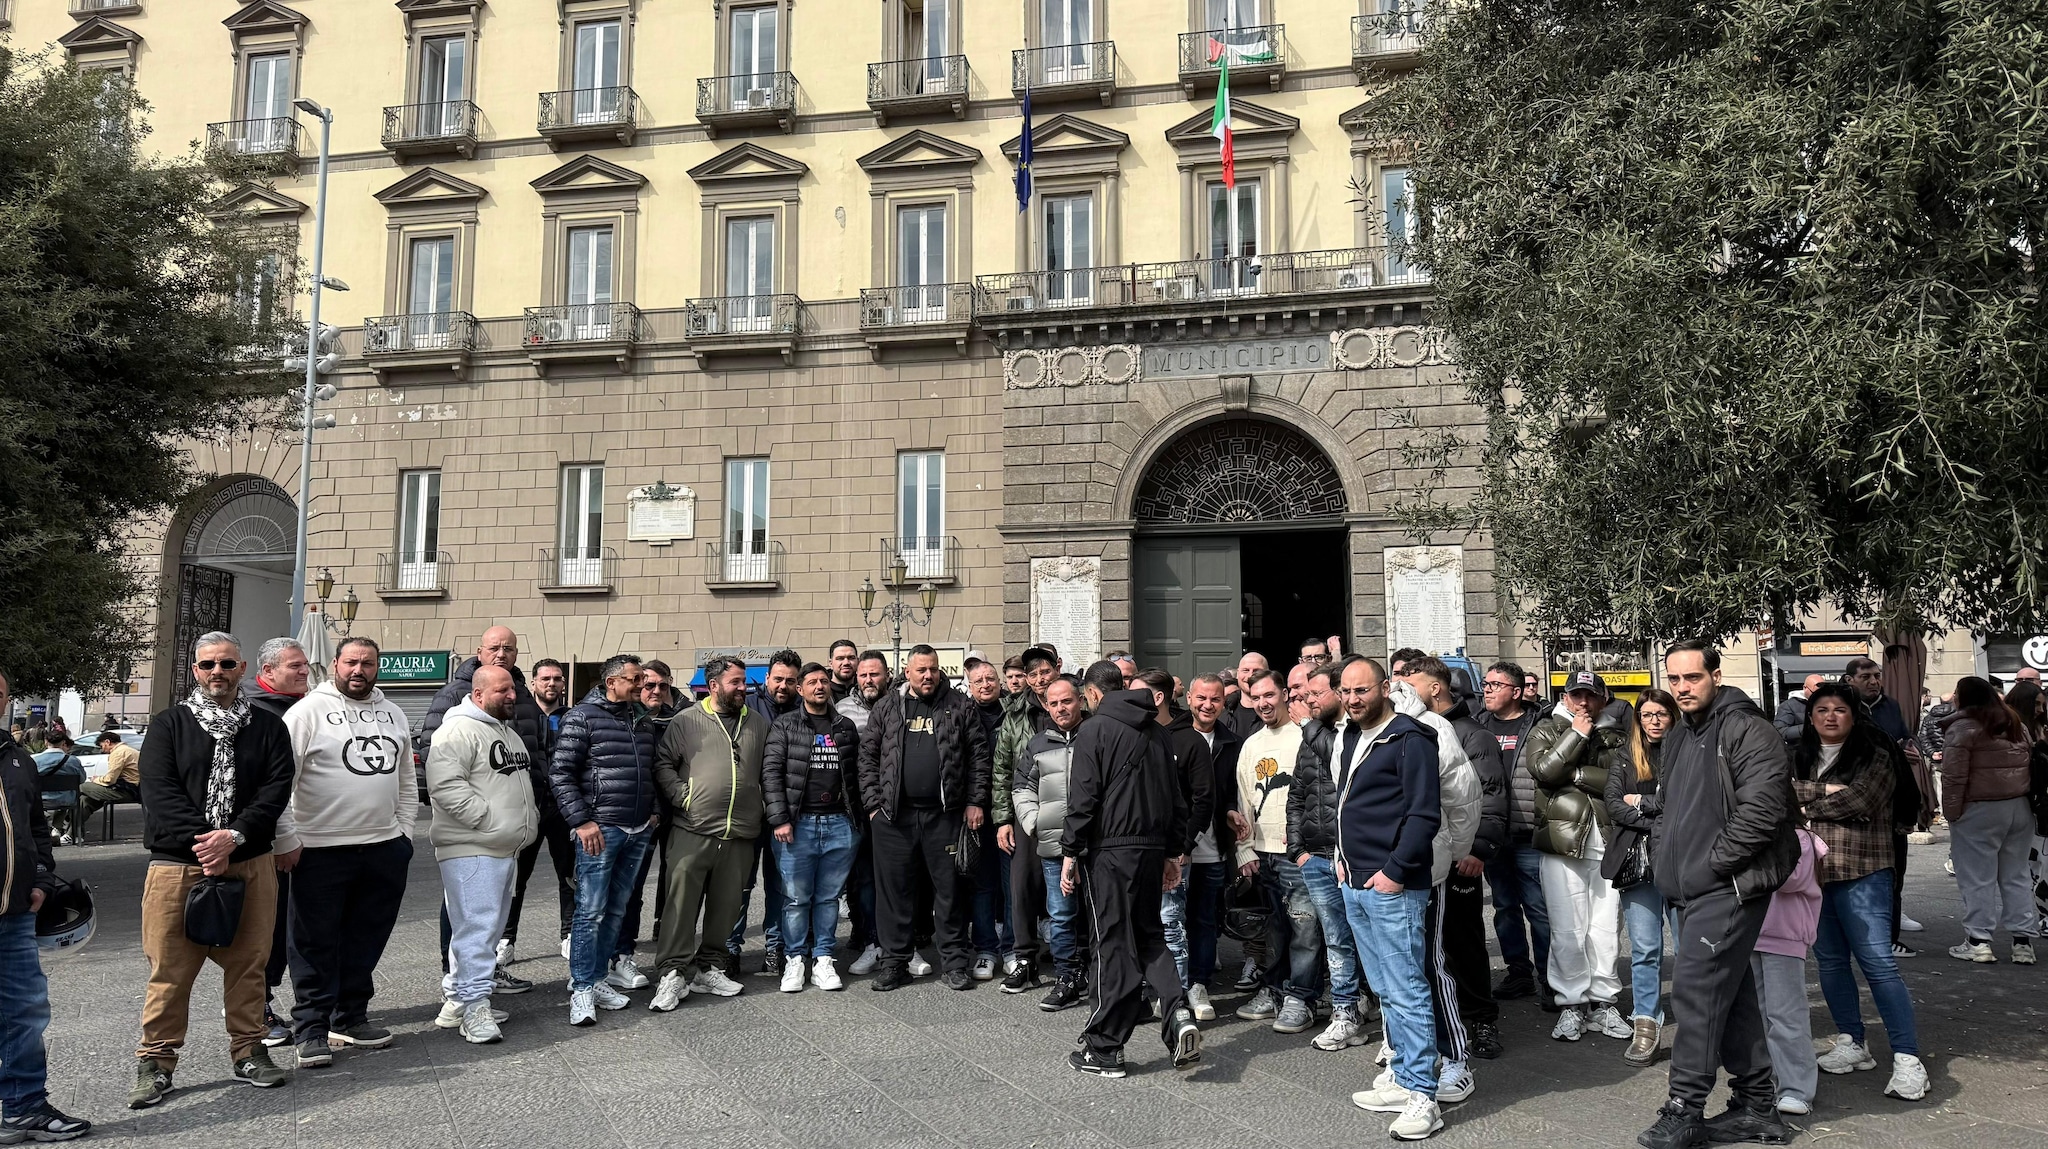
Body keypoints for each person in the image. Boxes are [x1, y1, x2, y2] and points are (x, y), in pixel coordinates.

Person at [1637, 641, 1802, 1149]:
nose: (1683, 688)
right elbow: (1669, 808)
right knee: (1731, 998)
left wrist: (1712, 866)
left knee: (1696, 994)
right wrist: (1669, 860)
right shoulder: (1683, 735)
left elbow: (1763, 810)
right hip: (1692, 890)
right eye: (1675, 679)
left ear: (1715, 674)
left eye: (1693, 677)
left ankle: (1684, 1107)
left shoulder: (1747, 728)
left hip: (1727, 887)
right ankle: (1757, 1106)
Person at [131, 632, 296, 1106]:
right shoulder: (169, 725)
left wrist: (235, 837)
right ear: (195, 671)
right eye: (208, 665)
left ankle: (249, 1051)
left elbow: (275, 789)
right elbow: (159, 793)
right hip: (177, 867)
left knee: (250, 965)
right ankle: (156, 1062)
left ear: (243, 668)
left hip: (250, 863)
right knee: (170, 970)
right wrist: (208, 845)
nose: (217, 672)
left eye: (226, 663)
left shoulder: (267, 728)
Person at [276, 637, 414, 1068]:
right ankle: (312, 1028)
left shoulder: (393, 713)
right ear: (335, 664)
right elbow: (281, 783)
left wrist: (404, 834)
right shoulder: (305, 713)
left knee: (366, 936)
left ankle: (350, 1016)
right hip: (318, 849)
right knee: (313, 941)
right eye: (351, 662)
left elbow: (407, 779)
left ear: (378, 667)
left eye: (368, 663)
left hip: (383, 847)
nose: (359, 670)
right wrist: (287, 839)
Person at [1792, 682, 1926, 1099]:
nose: (1830, 716)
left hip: (1865, 869)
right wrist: (1825, 792)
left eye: (1840, 710)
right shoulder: (1799, 755)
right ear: (1810, 717)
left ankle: (1908, 1057)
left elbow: (1862, 802)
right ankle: (1852, 1040)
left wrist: (1807, 801)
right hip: (1814, 875)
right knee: (1830, 962)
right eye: (1822, 710)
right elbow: (1780, 795)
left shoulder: (1876, 754)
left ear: (1854, 715)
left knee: (1879, 963)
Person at [1330, 657, 1444, 1141]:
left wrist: (1393, 873)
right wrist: (1339, 855)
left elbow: (1424, 816)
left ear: (1384, 688)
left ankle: (1424, 1095)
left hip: (1391, 885)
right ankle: (1400, 1077)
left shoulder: (1411, 738)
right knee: (1384, 989)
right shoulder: (1351, 736)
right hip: (1354, 881)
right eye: (1346, 691)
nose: (1353, 699)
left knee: (1408, 988)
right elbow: (1344, 803)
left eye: (1362, 690)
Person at [1061, 678, 1197, 1078]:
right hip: (1151, 848)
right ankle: (1178, 1011)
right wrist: (1172, 852)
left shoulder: (1094, 729)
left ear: (1093, 694)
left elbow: (1083, 797)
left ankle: (1105, 1048)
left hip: (1110, 851)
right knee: (1151, 937)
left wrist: (1070, 850)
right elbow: (1177, 801)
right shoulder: (1158, 732)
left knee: (1112, 944)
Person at [417, 629, 556, 983]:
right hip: (479, 832)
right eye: (494, 647)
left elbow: (534, 754)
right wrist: (485, 818)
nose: (501, 653)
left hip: (514, 825)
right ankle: (460, 980)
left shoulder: (521, 695)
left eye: (508, 648)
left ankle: (480, 976)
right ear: (479, 652)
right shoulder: (454, 696)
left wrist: (531, 808)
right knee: (467, 913)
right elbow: (440, 762)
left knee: (494, 912)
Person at [855, 644, 992, 991]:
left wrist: (975, 801)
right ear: (907, 669)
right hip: (893, 818)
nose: (928, 675)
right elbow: (867, 757)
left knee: (950, 892)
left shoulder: (959, 705)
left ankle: (955, 963)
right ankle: (894, 963)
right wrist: (874, 806)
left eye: (932, 669)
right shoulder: (888, 706)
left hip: (944, 816)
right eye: (921, 670)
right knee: (894, 893)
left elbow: (978, 756)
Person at [644, 656, 768, 1009]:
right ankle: (672, 973)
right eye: (736, 682)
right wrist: (684, 797)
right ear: (714, 686)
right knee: (680, 906)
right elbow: (663, 763)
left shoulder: (757, 723)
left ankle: (709, 968)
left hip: (741, 832)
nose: (743, 687)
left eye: (744, 681)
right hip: (693, 829)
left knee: (726, 907)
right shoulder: (686, 720)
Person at [0, 671, 93, 1141]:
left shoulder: (18, 759)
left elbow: (36, 828)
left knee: (25, 1012)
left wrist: (39, 877)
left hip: (14, 913)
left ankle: (23, 1108)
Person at [1402, 657, 1508, 1064]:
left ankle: (1481, 1018)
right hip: (1427, 859)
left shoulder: (1472, 735)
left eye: (1412, 685)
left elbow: (1491, 796)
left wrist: (1478, 850)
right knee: (1432, 944)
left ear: (1435, 689)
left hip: (1462, 857)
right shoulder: (1412, 729)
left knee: (1465, 941)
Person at [424, 665, 539, 1044]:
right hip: (473, 848)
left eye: (513, 690)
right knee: (477, 929)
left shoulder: (507, 732)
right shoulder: (457, 729)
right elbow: (444, 786)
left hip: (501, 847)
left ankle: (457, 1000)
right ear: (477, 695)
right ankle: (475, 1008)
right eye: (502, 690)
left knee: (482, 929)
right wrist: (487, 821)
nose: (512, 696)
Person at [549, 654, 660, 1026]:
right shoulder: (581, 716)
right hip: (601, 828)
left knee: (615, 909)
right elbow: (561, 772)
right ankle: (581, 988)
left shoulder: (641, 719)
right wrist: (582, 822)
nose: (642, 684)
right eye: (635, 678)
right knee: (590, 911)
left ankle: (597, 979)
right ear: (612, 682)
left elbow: (651, 769)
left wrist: (654, 811)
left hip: (637, 827)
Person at [1523, 671, 1632, 1042]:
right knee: (1567, 930)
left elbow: (1624, 782)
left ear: (1604, 699)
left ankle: (1604, 1003)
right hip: (1560, 843)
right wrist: (1578, 735)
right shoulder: (1544, 730)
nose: (1583, 702)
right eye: (1576, 695)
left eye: (1591, 696)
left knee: (1605, 931)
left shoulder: (1618, 736)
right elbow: (1545, 771)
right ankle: (1571, 1004)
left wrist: (1579, 773)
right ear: (1565, 698)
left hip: (1606, 841)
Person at [1285, 662, 1373, 1052]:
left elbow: (1336, 759)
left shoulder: (1354, 735)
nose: (1307, 702)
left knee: (1368, 939)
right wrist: (1297, 849)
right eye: (1304, 696)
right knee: (1336, 939)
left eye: (1315, 694)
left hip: (1354, 856)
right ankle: (1345, 1013)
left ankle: (1380, 1011)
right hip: (1317, 856)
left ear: (1338, 693)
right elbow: (1297, 796)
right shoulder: (1310, 738)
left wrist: (1307, 725)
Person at [762, 662, 861, 993]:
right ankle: (795, 959)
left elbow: (857, 776)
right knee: (795, 898)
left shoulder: (845, 727)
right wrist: (779, 819)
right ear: (800, 689)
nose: (819, 686)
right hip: (798, 825)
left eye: (823, 681)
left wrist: (857, 821)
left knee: (829, 897)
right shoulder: (785, 726)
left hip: (839, 825)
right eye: (812, 682)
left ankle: (823, 958)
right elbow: (771, 774)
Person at [1231, 668, 1322, 1031]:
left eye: (1270, 695)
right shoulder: (1251, 744)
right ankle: (1274, 991)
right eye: (1257, 698)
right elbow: (1243, 803)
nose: (1264, 703)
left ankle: (1302, 998)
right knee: (1274, 931)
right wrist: (1244, 851)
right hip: (1263, 853)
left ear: (1285, 694)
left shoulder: (1304, 735)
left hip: (1297, 853)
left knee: (1305, 929)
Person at [1939, 676, 2039, 963]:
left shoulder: (1962, 728)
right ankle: (2023, 943)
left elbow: (1954, 776)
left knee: (1977, 878)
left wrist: (1952, 813)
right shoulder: (2014, 723)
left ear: (1963, 697)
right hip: (2018, 806)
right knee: (2016, 876)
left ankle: (1978, 941)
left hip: (1979, 808)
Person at [1469, 660, 1552, 1005]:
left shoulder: (1540, 725)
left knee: (1539, 910)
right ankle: (1519, 973)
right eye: (1485, 684)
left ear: (1516, 692)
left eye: (1495, 685)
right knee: (1504, 908)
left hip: (1527, 832)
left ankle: (1551, 979)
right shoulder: (1477, 726)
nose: (1487, 689)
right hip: (1493, 835)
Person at [1605, 687, 1679, 1066]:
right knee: (1646, 949)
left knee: (1689, 949)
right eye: (1646, 715)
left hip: (1682, 861)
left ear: (1672, 716)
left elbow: (1685, 802)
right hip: (1638, 864)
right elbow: (1615, 805)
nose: (1653, 721)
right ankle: (1646, 1023)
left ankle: (1699, 1022)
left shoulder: (1685, 751)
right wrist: (1660, 818)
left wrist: (1645, 805)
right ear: (1638, 718)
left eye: (1660, 714)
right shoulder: (1624, 756)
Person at [242, 637, 309, 1046]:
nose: (304, 672)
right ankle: (257, 1009)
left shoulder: (304, 707)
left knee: (292, 924)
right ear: (267, 672)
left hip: (306, 834)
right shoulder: (253, 713)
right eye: (295, 666)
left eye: (305, 666)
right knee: (263, 927)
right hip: (266, 838)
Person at [1164, 673, 1239, 1021]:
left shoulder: (1233, 742)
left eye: (1216, 700)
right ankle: (1171, 987)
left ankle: (1199, 982)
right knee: (1173, 920)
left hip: (1214, 848)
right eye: (1201, 699)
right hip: (1180, 849)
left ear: (1224, 702)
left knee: (1205, 918)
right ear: (1189, 699)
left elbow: (1231, 794)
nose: (1208, 705)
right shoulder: (1171, 738)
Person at [1014, 677, 1090, 1011]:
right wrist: (1034, 822)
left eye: (1067, 701)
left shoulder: (1096, 735)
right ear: (1046, 706)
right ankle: (1067, 976)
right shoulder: (1038, 743)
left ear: (1081, 701)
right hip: (1054, 846)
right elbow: (1021, 787)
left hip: (1095, 845)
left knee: (1097, 913)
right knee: (1061, 914)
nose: (1061, 708)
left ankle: (1096, 973)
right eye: (1054, 703)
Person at [731, 650, 801, 977]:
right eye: (778, 679)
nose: (783, 685)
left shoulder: (805, 711)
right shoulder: (747, 707)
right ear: (767, 678)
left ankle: (775, 948)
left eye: (790, 680)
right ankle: (730, 948)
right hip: (748, 814)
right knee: (739, 886)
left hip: (786, 816)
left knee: (779, 887)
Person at [993, 647, 1058, 993]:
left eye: (1043, 672)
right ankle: (1025, 959)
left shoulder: (1078, 706)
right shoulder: (1015, 714)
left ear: (1057, 669)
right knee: (1020, 888)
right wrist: (1003, 819)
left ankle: (1072, 960)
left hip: (1068, 813)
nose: (1038, 680)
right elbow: (1002, 769)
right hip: (1026, 813)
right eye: (1031, 675)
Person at [1753, 828, 1826, 1117]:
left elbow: (1787, 878)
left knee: (1786, 1013)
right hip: (1752, 933)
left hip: (1784, 935)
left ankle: (1797, 1088)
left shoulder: (1800, 839)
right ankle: (1766, 1079)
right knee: (1758, 1013)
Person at [513, 657, 575, 965]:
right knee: (517, 878)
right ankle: (506, 940)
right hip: (528, 807)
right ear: (534, 683)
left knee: (569, 876)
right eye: (546, 678)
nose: (552, 683)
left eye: (558, 679)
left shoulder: (573, 717)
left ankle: (569, 934)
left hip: (563, 808)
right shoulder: (518, 715)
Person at [962, 657, 1014, 980]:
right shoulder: (964, 715)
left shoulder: (1013, 712)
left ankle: (1010, 947)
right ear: (969, 685)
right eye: (979, 680)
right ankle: (984, 948)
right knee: (982, 885)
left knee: (1011, 886)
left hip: (1008, 813)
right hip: (976, 812)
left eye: (991, 678)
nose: (985, 684)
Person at [75, 729, 140, 829]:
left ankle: (64, 821)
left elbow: (110, 779)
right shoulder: (131, 750)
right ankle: (72, 833)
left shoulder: (118, 753)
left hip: (125, 790)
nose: (102, 750)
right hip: (132, 789)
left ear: (107, 742)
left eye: (101, 746)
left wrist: (96, 780)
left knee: (81, 786)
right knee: (85, 800)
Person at [836, 650, 890, 733]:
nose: (868, 680)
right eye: (863, 675)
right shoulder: (840, 710)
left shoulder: (900, 706)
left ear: (887, 676)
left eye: (874, 674)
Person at [1225, 652, 1270, 739]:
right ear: (1237, 674)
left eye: (1257, 671)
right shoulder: (1224, 711)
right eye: (1245, 670)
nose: (1250, 676)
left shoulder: (1278, 712)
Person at [1775, 674, 1824, 746]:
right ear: (1805, 688)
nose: (1818, 696)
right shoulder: (1788, 706)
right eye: (1815, 693)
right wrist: (1807, 728)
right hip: (1801, 751)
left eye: (1822, 693)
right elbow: (1780, 732)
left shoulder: (1829, 703)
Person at [827, 639, 861, 704]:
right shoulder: (821, 691)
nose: (846, 663)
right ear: (831, 663)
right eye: (840, 658)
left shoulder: (866, 689)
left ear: (858, 661)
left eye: (851, 658)